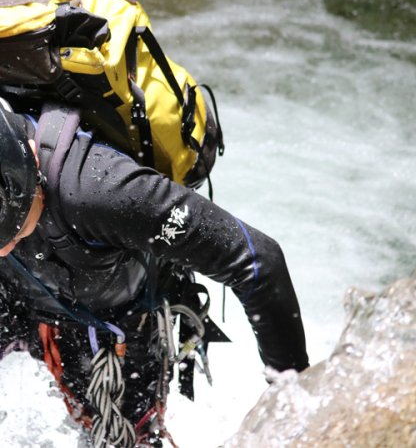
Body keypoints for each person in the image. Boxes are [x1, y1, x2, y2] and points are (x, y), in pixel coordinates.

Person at [0, 96, 309, 446]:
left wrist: (292, 403)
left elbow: (256, 260)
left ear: (32, 168)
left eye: (13, 231)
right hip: (22, 296)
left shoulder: (103, 192)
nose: (5, 248)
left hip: (113, 322)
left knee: (125, 440)